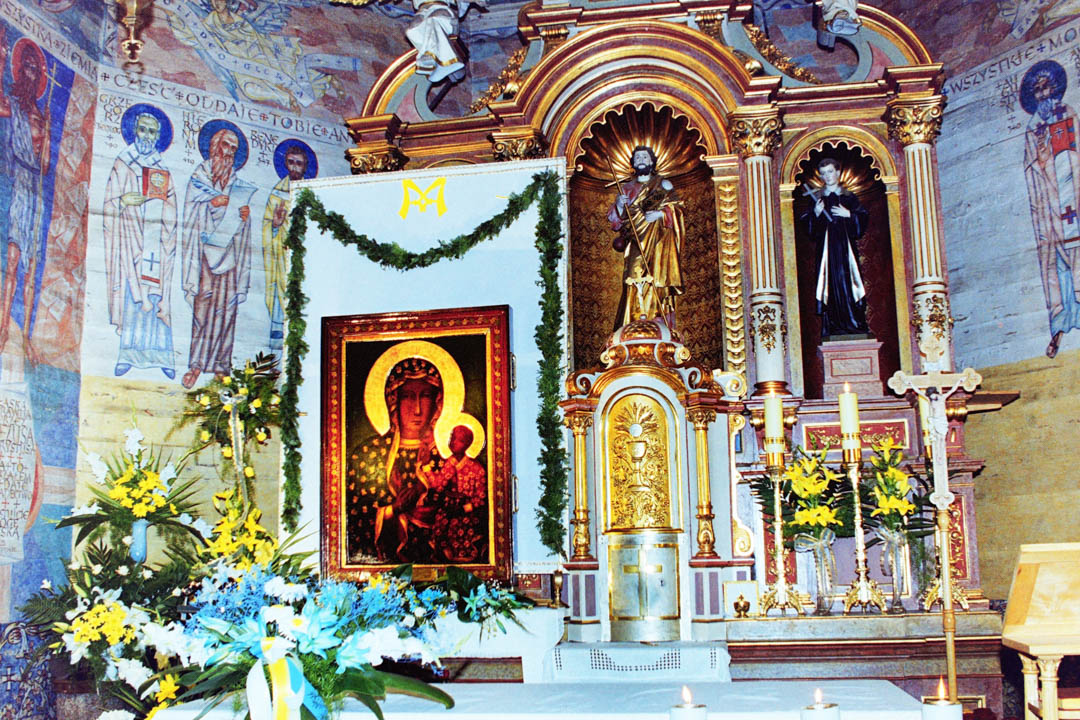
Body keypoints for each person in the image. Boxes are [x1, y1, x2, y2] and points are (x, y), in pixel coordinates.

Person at [347, 357, 446, 563]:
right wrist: (393, 509)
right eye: (408, 397)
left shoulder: (445, 458)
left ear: (437, 403)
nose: (417, 409)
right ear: (394, 402)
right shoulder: (368, 454)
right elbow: (353, 518)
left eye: (425, 396)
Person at [104, 108, 178, 379]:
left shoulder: (162, 169)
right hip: (129, 240)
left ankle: (162, 357)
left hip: (155, 242)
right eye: (142, 129)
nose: (146, 136)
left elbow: (172, 208)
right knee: (132, 297)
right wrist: (123, 201)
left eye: (152, 131)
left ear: (158, 137)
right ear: (134, 131)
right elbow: (108, 203)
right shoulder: (123, 162)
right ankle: (128, 355)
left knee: (157, 294)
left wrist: (164, 219)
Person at [180, 123, 255, 388]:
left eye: (234, 148)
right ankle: (196, 365)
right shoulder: (199, 177)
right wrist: (211, 203)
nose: (229, 152)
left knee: (227, 309)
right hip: (204, 256)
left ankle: (222, 367)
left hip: (229, 257)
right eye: (225, 145)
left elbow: (241, 220)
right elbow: (191, 210)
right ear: (214, 146)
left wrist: (244, 217)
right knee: (203, 308)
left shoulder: (236, 183)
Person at [1020, 60, 1080, 358]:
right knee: (1054, 267)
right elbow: (1032, 166)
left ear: (1054, 89)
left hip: (1070, 199)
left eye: (1046, 88)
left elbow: (1071, 155)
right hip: (1047, 206)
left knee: (1076, 256)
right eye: (1037, 91)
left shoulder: (1065, 113)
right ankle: (1058, 326)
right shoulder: (1033, 127)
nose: (1043, 94)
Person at [0, 40, 49, 359]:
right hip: (18, 181)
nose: (31, 73)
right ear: (19, 70)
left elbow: (44, 166)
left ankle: (27, 337)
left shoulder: (42, 114)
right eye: (27, 66)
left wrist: (48, 134)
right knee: (13, 258)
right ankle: (4, 327)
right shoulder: (13, 105)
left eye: (36, 69)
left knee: (33, 266)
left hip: (36, 189)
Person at [607, 145, 685, 330]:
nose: (641, 160)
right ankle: (633, 321)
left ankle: (658, 321)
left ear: (652, 161)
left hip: (659, 241)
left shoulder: (663, 185)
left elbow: (678, 210)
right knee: (633, 277)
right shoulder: (626, 189)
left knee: (657, 278)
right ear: (633, 163)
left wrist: (661, 215)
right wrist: (619, 205)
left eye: (645, 157)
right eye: (638, 158)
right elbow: (616, 222)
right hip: (635, 241)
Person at [802, 157, 870, 337]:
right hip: (827, 252)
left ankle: (853, 322)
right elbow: (809, 229)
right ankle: (833, 324)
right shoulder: (817, 198)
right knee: (830, 284)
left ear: (838, 173)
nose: (827, 176)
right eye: (824, 173)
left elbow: (862, 219)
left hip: (845, 250)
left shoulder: (849, 197)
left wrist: (849, 215)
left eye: (830, 172)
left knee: (847, 282)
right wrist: (816, 214)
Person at [262, 141, 313, 352]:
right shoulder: (277, 194)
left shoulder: (311, 194)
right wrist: (275, 225)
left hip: (304, 255)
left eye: (298, 163)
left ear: (305, 167)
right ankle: (280, 336)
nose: (294, 167)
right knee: (281, 290)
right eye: (291, 162)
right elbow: (267, 227)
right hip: (281, 254)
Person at [428, 424, 487, 562]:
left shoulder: (477, 468)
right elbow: (438, 485)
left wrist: (463, 509)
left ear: (467, 444)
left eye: (458, 440)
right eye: (452, 438)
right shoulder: (449, 464)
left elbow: (480, 498)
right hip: (447, 510)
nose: (453, 442)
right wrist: (426, 468)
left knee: (462, 533)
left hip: (467, 514)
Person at [405, 0, 486, 84]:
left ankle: (438, 58)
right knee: (411, 31)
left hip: (441, 9)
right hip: (422, 11)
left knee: (433, 20)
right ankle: (440, 59)